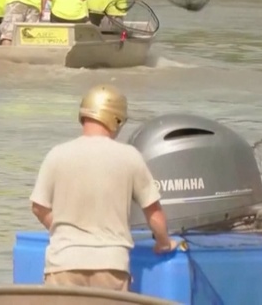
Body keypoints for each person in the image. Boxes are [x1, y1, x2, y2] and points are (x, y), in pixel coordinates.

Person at [30, 84, 177, 292]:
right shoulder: (129, 156)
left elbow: (38, 206)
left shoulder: (56, 154)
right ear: (116, 120)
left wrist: (63, 229)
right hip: (111, 265)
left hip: (63, 263)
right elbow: (154, 213)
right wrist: (164, 242)